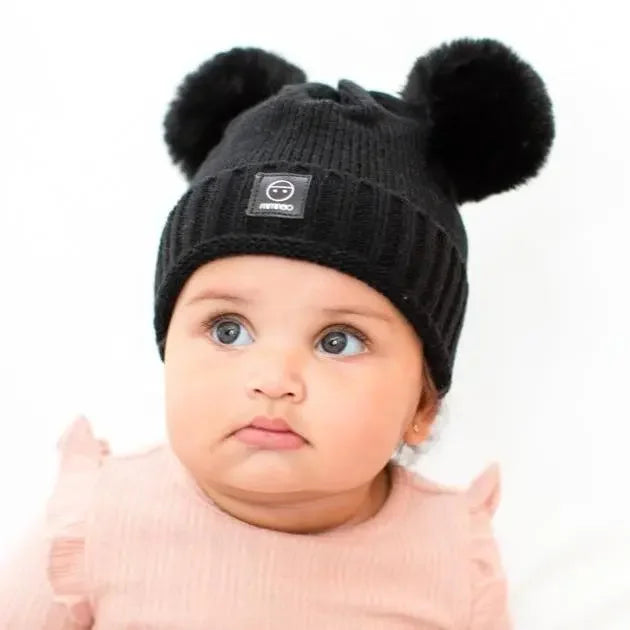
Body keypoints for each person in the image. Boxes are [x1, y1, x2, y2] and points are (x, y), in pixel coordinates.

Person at [0, 37, 554, 629]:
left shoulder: (452, 561)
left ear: (422, 405)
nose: (273, 379)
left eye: (338, 341)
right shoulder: (96, 522)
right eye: (228, 330)